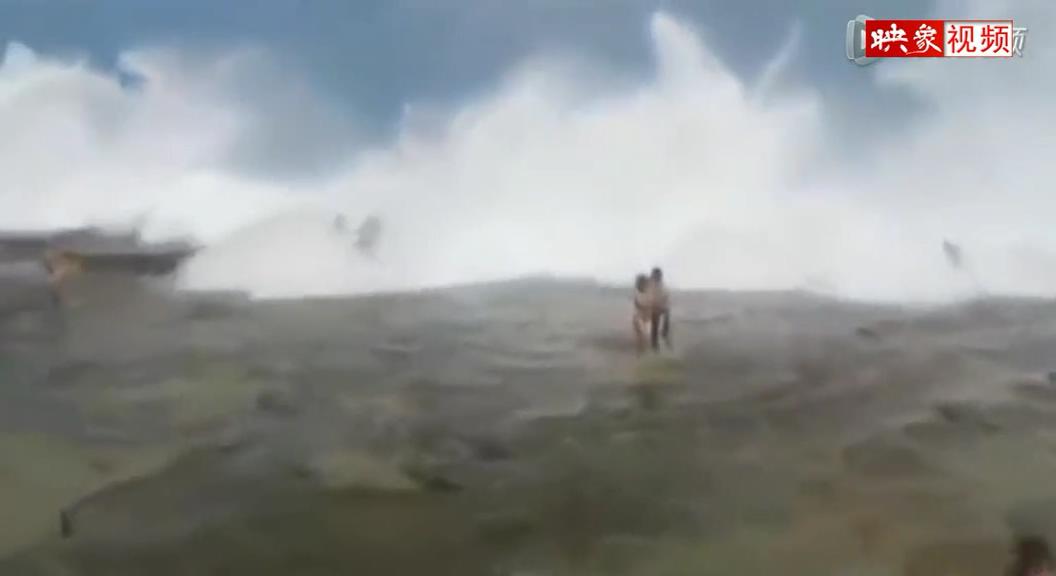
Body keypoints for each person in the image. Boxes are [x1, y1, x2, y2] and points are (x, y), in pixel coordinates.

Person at [648, 267, 671, 351]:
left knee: (666, 317)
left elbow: (666, 296)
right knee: (655, 326)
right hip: (654, 307)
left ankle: (664, 334)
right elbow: (648, 296)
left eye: (658, 275)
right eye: (656, 275)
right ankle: (654, 345)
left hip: (662, 306)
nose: (658, 277)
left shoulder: (662, 285)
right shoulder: (650, 284)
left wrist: (664, 305)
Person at [632, 273, 652, 355]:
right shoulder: (638, 294)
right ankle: (641, 352)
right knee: (642, 336)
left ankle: (642, 352)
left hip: (646, 318)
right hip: (640, 318)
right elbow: (638, 305)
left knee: (644, 337)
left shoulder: (648, 294)